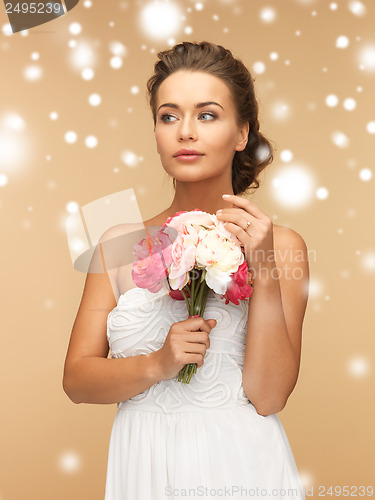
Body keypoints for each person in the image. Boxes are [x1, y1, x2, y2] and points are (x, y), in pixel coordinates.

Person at [63, 41, 309, 499]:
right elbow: (76, 381)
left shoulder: (281, 244)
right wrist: (157, 363)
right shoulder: (117, 242)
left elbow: (270, 396)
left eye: (208, 115)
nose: (185, 132)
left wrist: (265, 270)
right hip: (146, 465)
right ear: (156, 131)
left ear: (242, 134)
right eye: (169, 116)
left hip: (243, 466)